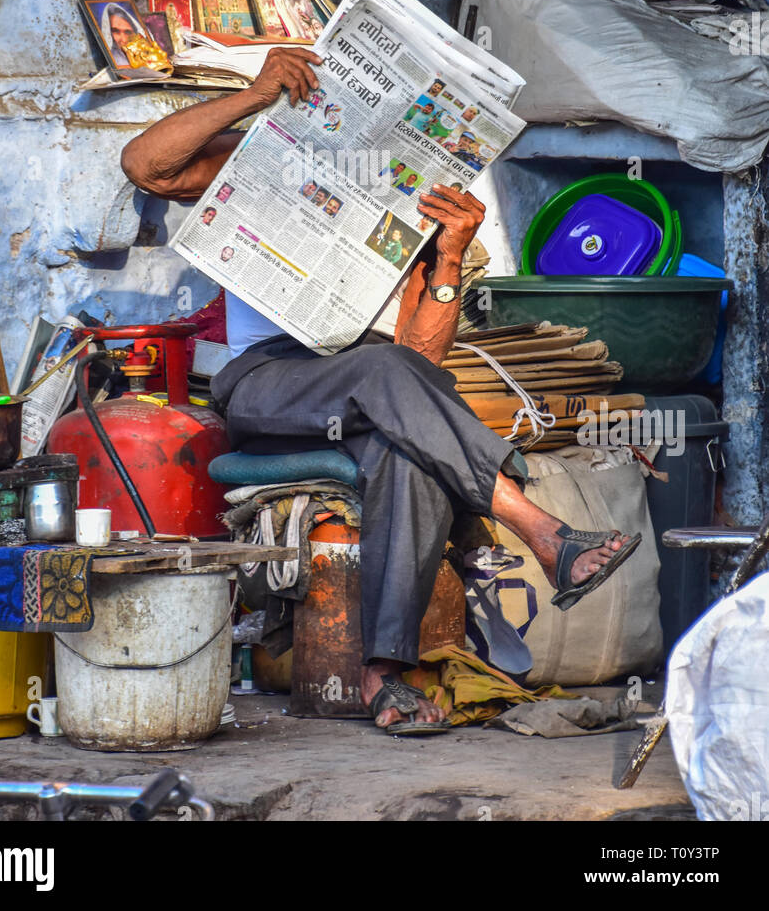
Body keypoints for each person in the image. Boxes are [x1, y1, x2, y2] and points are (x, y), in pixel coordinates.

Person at [121, 47, 640, 734]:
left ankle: (382, 676)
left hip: (370, 389)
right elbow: (144, 164)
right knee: (387, 377)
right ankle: (542, 530)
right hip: (267, 383)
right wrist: (254, 96)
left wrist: (450, 253)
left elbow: (420, 359)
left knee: (406, 448)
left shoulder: (420, 207)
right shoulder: (256, 158)